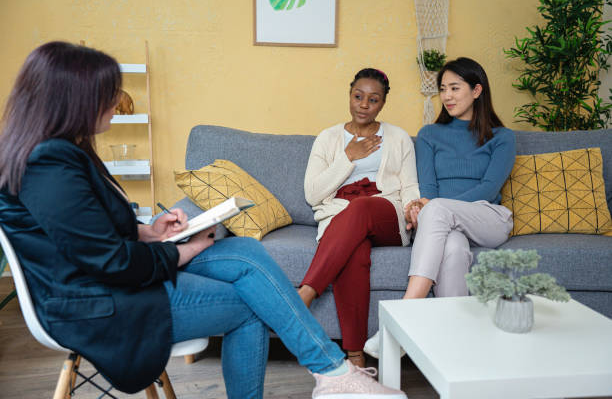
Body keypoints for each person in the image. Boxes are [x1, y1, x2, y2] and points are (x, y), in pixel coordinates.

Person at [0, 42, 408, 399]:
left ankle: (332, 373)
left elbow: (89, 232)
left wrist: (149, 231)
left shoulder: (60, 153)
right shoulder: (47, 164)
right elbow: (109, 262)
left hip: (110, 281)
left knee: (246, 249)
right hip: (98, 303)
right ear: (72, 99)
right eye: (108, 93)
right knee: (251, 306)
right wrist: (182, 251)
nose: (118, 101)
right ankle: (333, 371)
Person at [364, 57, 516, 357]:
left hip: (487, 218)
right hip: (446, 225)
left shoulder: (502, 137)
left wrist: (430, 208)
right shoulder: (430, 135)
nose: (446, 96)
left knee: (436, 210)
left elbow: (488, 188)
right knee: (453, 251)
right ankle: (455, 351)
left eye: (455, 88)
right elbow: (428, 190)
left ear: (476, 90)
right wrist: (422, 207)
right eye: (443, 89)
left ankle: (403, 317)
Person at [298, 68, 420, 368]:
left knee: (362, 207)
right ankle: (354, 356)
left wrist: (413, 209)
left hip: (384, 212)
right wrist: (347, 157)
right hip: (341, 216)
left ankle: (306, 292)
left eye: (373, 99)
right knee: (355, 253)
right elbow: (313, 194)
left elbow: (410, 186)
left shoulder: (398, 137)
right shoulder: (328, 138)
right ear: (350, 95)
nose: (364, 104)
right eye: (358, 96)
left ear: (382, 104)